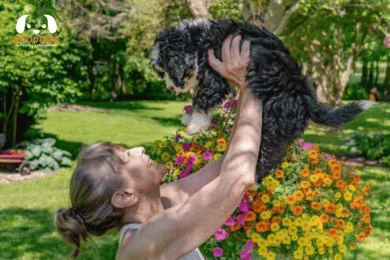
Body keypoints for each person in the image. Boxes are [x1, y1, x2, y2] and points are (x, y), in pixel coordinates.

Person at [54, 34, 264, 260]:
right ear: (124, 196)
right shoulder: (143, 244)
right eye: (127, 156)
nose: (139, 150)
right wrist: (251, 83)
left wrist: (243, 87)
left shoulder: (158, 202)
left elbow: (228, 164)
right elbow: (238, 178)